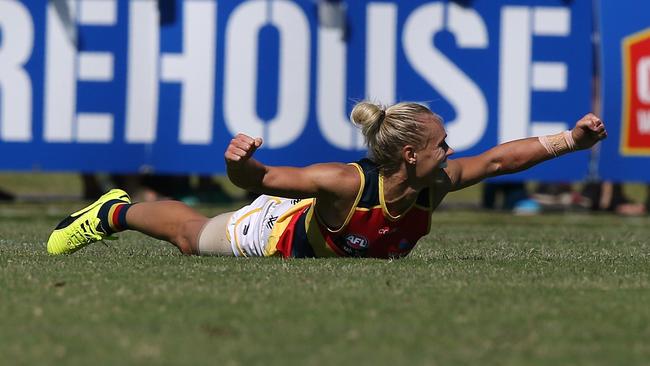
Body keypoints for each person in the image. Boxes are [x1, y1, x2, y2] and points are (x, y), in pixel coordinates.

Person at [46, 102, 607, 258]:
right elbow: (259, 178)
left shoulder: (434, 182)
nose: (453, 152)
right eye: (441, 145)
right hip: (279, 232)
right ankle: (111, 212)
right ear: (410, 155)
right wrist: (239, 161)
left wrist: (570, 141)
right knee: (192, 238)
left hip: (331, 247)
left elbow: (500, 162)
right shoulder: (342, 183)